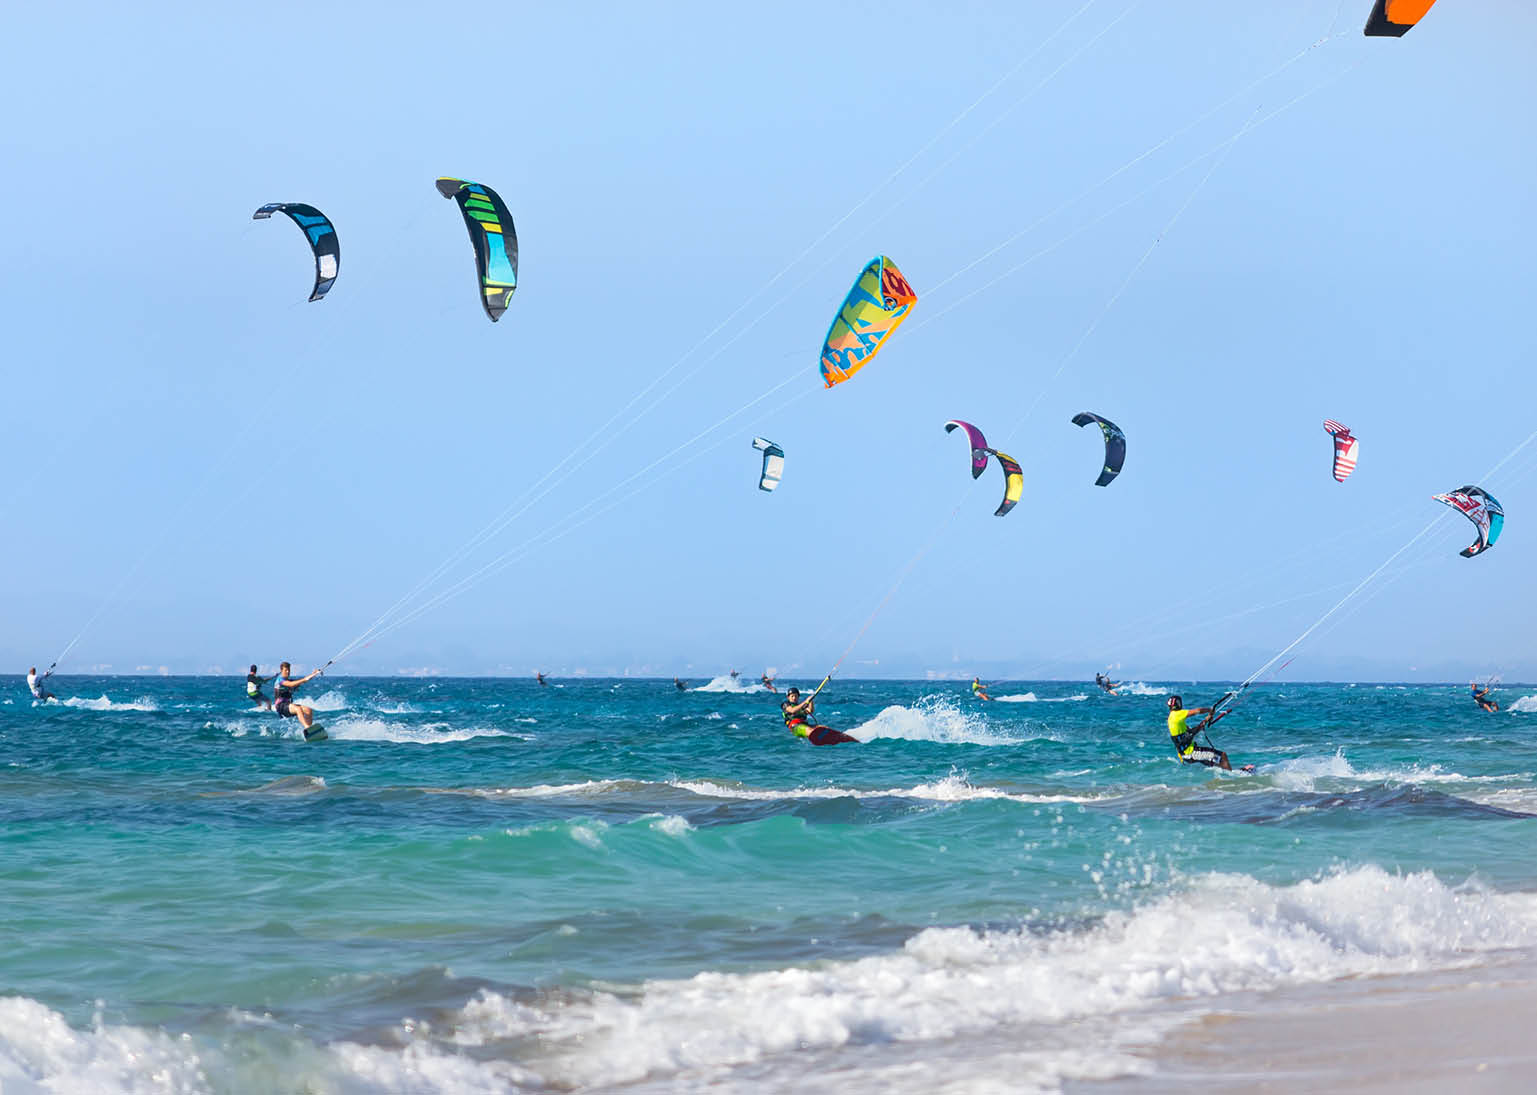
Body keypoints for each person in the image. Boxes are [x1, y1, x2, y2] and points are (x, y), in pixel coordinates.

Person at [1166, 694, 1251, 771]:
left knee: (1217, 763)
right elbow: (1198, 710)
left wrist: (1206, 720)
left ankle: (1233, 774)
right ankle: (1232, 778)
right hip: (1191, 753)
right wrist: (1210, 710)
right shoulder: (1177, 714)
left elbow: (1191, 733)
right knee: (1223, 756)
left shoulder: (1172, 719)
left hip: (1185, 755)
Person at [781, 686, 858, 746]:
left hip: (805, 724)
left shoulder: (801, 707)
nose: (794, 698)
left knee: (824, 728)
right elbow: (792, 710)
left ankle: (841, 738)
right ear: (788, 697)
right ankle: (818, 737)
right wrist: (805, 702)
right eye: (792, 696)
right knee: (811, 731)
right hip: (795, 727)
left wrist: (811, 701)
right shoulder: (786, 704)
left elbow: (810, 711)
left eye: (796, 696)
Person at [274, 661, 324, 736]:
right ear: (281, 671)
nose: (287, 672)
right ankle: (307, 728)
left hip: (287, 705)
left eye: (289, 670)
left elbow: (303, 681)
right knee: (298, 709)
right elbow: (291, 684)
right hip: (280, 706)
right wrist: (304, 679)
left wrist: (314, 674)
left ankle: (309, 731)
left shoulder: (289, 680)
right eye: (285, 670)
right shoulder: (280, 680)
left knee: (308, 710)